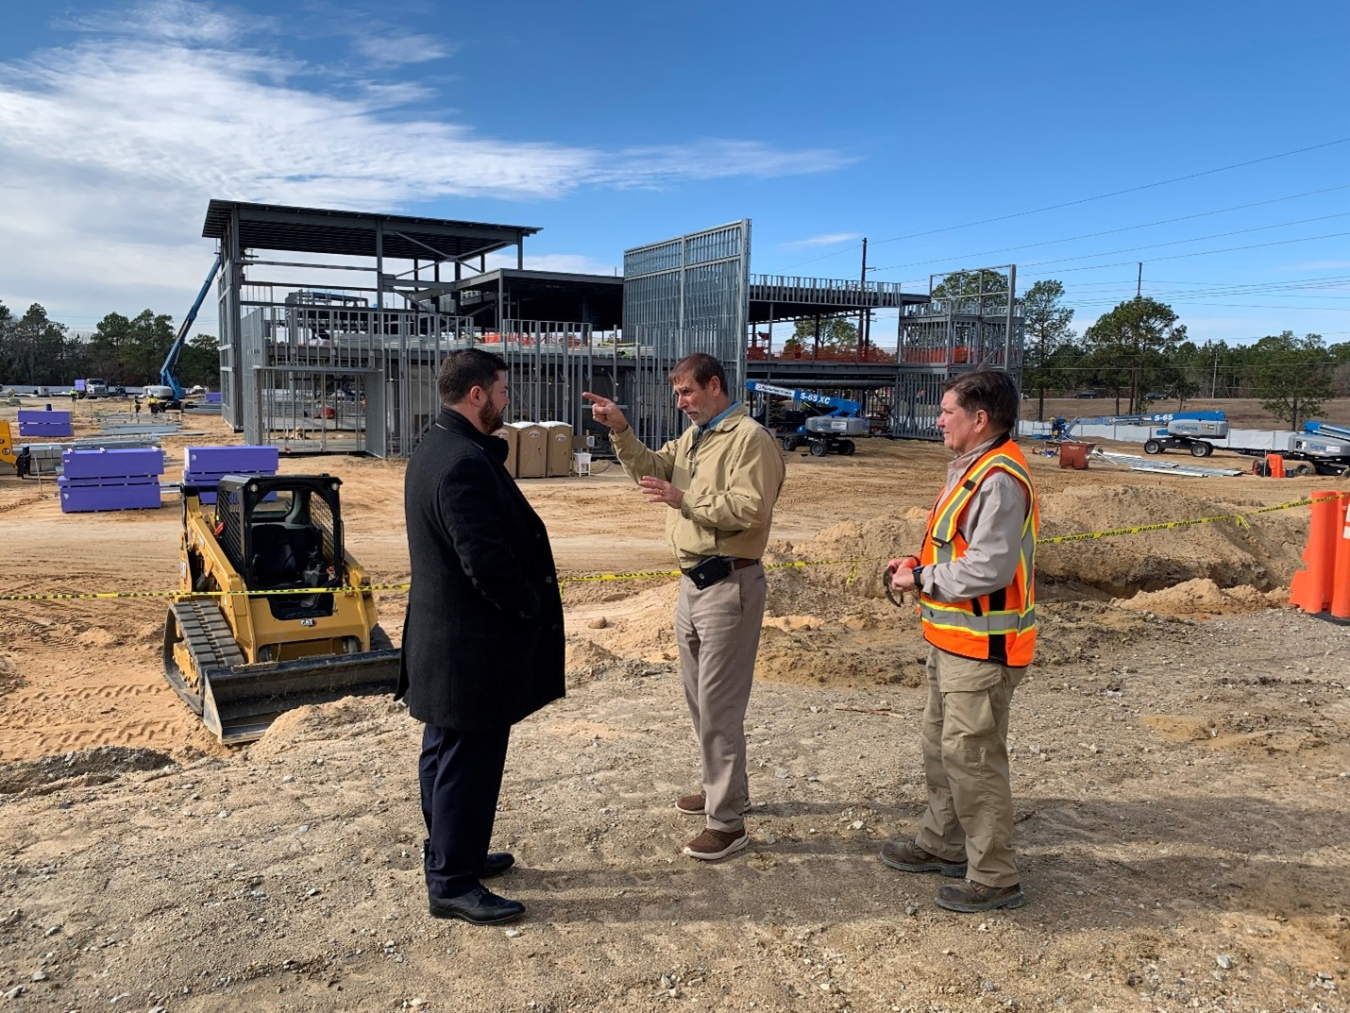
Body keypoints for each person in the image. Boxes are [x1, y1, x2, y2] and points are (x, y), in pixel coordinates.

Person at [583, 354, 785, 862]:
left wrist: (684, 499)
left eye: (687, 393)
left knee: (719, 705)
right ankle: (722, 790)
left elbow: (749, 508)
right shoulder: (696, 439)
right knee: (700, 702)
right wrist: (622, 430)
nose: (680, 403)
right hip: (692, 585)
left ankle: (728, 823)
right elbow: (652, 469)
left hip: (729, 584)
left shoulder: (748, 439)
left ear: (715, 386)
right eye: (676, 395)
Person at [397, 348, 565, 925]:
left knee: (444, 755)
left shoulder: (436, 445)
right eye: (502, 390)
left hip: (445, 642)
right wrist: (529, 608)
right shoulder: (463, 461)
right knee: (466, 762)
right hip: (469, 649)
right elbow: (486, 563)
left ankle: (455, 853)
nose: (506, 399)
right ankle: (451, 883)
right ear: (477, 395)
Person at [880, 369, 1038, 913]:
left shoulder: (998, 478)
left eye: (948, 411)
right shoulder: (972, 469)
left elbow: (989, 568)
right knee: (941, 748)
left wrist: (922, 580)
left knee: (973, 758)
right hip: (953, 642)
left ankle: (994, 875)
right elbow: (958, 550)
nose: (939, 419)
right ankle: (943, 842)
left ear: (980, 419)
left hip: (983, 649)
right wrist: (917, 562)